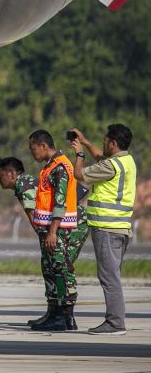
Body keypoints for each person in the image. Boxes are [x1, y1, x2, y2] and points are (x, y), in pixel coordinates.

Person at [0, 156, 90, 329]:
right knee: (53, 265)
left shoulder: (23, 185)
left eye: (0, 175)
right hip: (68, 223)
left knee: (60, 264)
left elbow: (34, 218)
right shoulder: (26, 183)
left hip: (74, 224)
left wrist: (47, 238)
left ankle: (63, 316)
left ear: (11, 174)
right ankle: (57, 315)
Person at [70, 124, 136, 335]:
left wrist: (79, 152)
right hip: (119, 227)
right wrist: (86, 141)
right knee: (112, 275)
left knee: (109, 278)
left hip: (107, 228)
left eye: (105, 141)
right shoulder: (126, 161)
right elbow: (100, 156)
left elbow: (78, 174)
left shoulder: (110, 166)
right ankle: (115, 321)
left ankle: (115, 323)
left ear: (113, 144)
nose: (102, 144)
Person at [27, 129, 80, 332]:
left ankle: (63, 316)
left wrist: (52, 232)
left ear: (43, 146)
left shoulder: (59, 167)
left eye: (33, 149)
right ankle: (57, 314)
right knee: (50, 269)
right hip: (50, 228)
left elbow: (60, 203)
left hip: (56, 229)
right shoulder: (51, 166)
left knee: (59, 269)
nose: (32, 153)